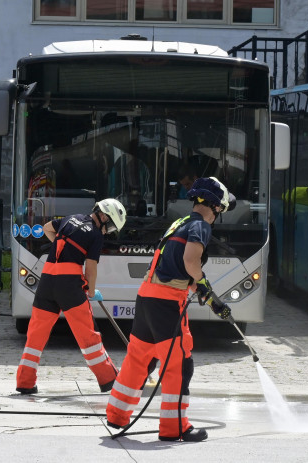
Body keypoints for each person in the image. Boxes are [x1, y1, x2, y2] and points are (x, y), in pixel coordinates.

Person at [106, 177, 235, 442]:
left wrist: (200, 289)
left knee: (139, 359)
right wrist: (206, 288)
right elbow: (190, 261)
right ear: (215, 206)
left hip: (147, 297)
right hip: (166, 302)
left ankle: (116, 414)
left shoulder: (180, 223)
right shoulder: (200, 226)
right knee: (178, 365)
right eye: (220, 209)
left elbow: (174, 262)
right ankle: (175, 427)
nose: (219, 214)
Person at [15, 198, 127, 394]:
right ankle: (108, 378)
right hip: (69, 285)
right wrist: (91, 292)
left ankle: (25, 382)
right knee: (87, 334)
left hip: (47, 280)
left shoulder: (71, 218)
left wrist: (67, 249)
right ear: (103, 216)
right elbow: (90, 268)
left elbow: (47, 228)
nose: (107, 231)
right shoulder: (95, 234)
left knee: (36, 335)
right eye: (109, 226)